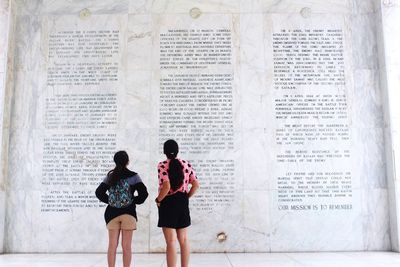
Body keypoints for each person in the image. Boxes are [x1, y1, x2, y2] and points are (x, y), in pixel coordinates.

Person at [96, 151, 148, 267]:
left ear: (115, 161)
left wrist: (110, 201)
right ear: (127, 162)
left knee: (112, 246)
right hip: (128, 214)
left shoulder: (110, 176)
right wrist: (133, 200)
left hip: (111, 214)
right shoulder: (134, 176)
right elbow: (144, 194)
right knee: (126, 247)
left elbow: (99, 192)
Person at [155, 139, 200, 267]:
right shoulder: (186, 164)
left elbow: (166, 186)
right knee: (184, 239)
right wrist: (186, 197)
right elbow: (196, 185)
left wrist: (158, 199)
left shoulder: (162, 165)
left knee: (171, 241)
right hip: (182, 202)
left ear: (165, 151)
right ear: (178, 150)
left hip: (168, 203)